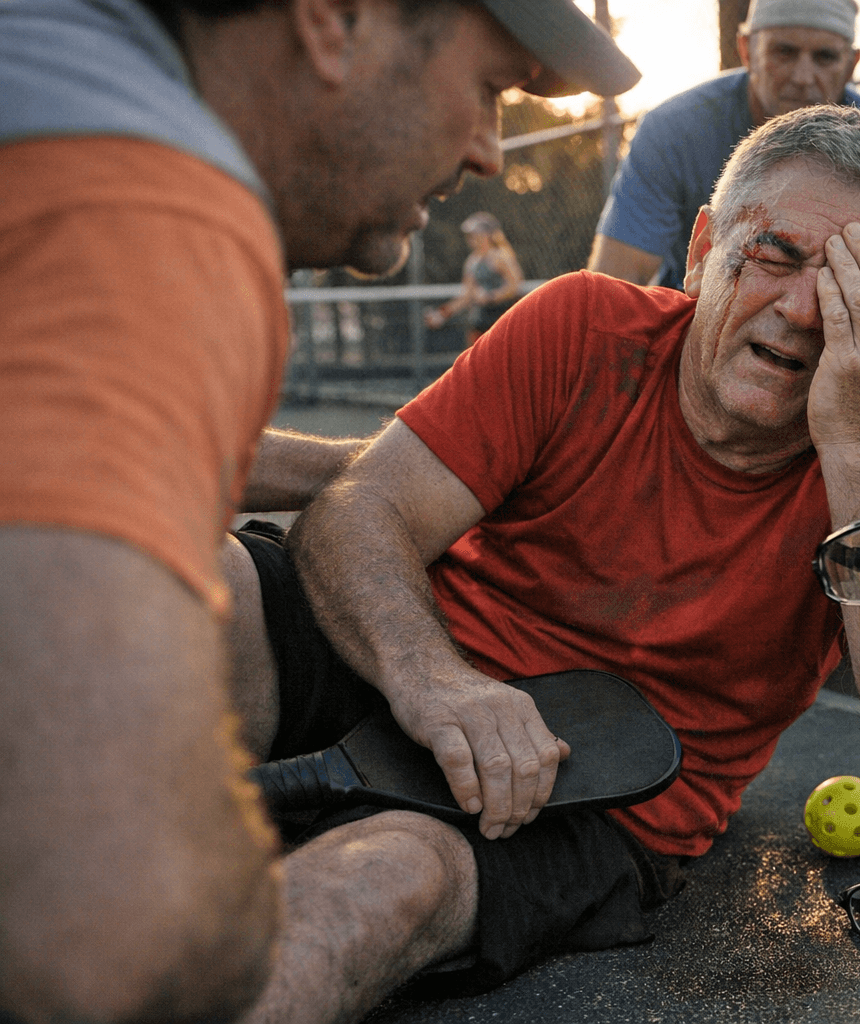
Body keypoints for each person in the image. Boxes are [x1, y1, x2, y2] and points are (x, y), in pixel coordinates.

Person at [219, 105, 860, 1020]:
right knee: (196, 586)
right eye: (776, 255)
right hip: (409, 662)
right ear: (706, 246)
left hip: (606, 792)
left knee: (378, 885)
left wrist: (859, 445)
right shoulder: (582, 326)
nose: (799, 310)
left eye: (848, 291)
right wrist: (435, 681)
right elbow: (360, 509)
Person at [0, 0, 638, 1020]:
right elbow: (117, 942)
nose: (488, 151)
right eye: (489, 89)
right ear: (335, 18)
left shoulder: (48, 62)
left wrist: (393, 468)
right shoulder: (145, 195)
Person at [586, 0, 860, 291]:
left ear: (851, 65)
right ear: (747, 50)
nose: (804, 77)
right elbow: (616, 282)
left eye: (825, 57)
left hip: (830, 325)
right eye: (784, 52)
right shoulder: (674, 131)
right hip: (694, 318)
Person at [424, 211, 526, 346]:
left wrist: (491, 297)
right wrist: (442, 314)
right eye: (470, 235)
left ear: (488, 234)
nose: (472, 239)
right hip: (481, 322)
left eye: (477, 234)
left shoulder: (501, 256)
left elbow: (514, 286)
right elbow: (467, 296)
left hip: (504, 320)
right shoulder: (472, 261)